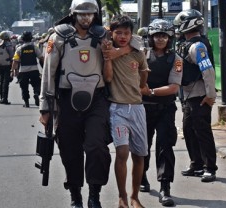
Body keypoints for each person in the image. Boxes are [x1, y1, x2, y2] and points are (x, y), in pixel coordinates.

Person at [38, 0, 125, 207]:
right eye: (81, 14)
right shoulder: (58, 36)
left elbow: (129, 43)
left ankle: (94, 195)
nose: (86, 18)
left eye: (90, 14)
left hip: (97, 98)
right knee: (70, 148)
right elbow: (48, 73)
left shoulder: (103, 35)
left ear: (95, 15)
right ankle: (75, 195)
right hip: (66, 99)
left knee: (97, 145)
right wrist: (45, 107)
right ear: (73, 14)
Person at [102, 14, 149, 208]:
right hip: (118, 110)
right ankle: (122, 196)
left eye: (126, 33)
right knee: (122, 153)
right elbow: (108, 78)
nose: (122, 36)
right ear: (112, 33)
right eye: (118, 32)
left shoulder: (137, 51)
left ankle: (135, 196)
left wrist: (141, 85)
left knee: (139, 156)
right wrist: (108, 57)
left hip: (137, 108)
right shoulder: (107, 49)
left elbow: (144, 74)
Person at [138, 19, 183, 207]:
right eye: (157, 35)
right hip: (143, 108)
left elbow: (174, 87)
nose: (160, 39)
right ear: (151, 37)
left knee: (165, 146)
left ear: (170, 38)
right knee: (143, 145)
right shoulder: (142, 54)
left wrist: (152, 92)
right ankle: (141, 178)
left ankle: (165, 188)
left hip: (165, 107)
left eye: (164, 36)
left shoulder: (176, 59)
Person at [173, 9, 218, 183]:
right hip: (188, 96)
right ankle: (197, 164)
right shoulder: (186, 44)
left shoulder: (198, 46)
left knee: (202, 132)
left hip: (200, 95)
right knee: (189, 130)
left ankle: (210, 168)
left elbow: (208, 71)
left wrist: (210, 95)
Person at [11, 31, 44, 108]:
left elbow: (15, 61)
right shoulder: (35, 47)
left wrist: (12, 70)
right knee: (36, 84)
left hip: (23, 71)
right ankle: (36, 93)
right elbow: (41, 58)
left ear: (22, 39)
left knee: (24, 87)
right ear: (31, 39)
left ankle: (26, 103)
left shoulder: (19, 49)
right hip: (34, 70)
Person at [0, 31, 14, 104]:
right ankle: (4, 98)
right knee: (6, 82)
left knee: (1, 81)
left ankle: (1, 97)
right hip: (7, 65)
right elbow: (12, 55)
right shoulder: (8, 45)